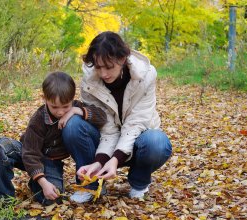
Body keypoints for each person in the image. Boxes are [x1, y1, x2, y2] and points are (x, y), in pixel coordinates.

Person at [62, 31, 172, 203]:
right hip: (105, 142)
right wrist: (100, 162)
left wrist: (115, 159)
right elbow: (106, 127)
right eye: (98, 67)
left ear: (122, 59)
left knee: (157, 141)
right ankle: (90, 182)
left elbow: (137, 122)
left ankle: (139, 182)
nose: (104, 73)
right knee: (73, 125)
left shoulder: (146, 75)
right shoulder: (90, 82)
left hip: (139, 140)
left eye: (109, 67)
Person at [0, 71, 107, 210]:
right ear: (44, 98)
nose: (60, 112)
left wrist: (75, 110)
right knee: (1, 145)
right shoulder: (38, 120)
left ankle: (36, 183)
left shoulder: (75, 107)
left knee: (53, 198)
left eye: (65, 107)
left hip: (51, 162)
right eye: (54, 107)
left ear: (72, 99)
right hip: (29, 153)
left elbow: (102, 116)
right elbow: (30, 154)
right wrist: (43, 182)